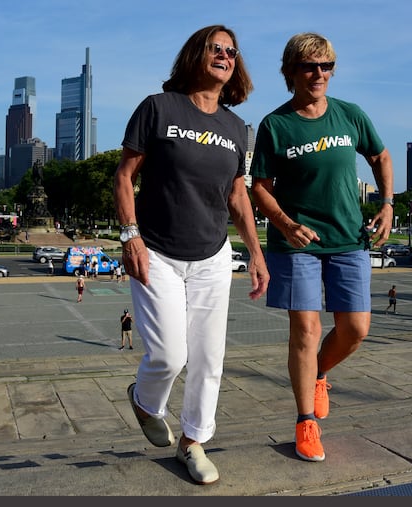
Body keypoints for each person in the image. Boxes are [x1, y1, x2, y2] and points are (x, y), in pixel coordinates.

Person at [113, 25, 269, 486]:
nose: (224, 56)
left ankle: (193, 442)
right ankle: (144, 400)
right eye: (215, 49)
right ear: (195, 55)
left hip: (213, 256)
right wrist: (130, 235)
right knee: (168, 354)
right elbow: (124, 176)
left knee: (209, 357)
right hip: (157, 251)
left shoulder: (236, 127)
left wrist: (255, 254)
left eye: (231, 52)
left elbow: (237, 196)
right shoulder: (159, 108)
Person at [250, 32, 394, 463]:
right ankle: (305, 422)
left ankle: (320, 374)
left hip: (349, 238)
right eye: (310, 66)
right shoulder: (276, 125)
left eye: (326, 66)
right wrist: (286, 223)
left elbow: (381, 157)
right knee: (306, 331)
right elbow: (259, 186)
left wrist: (387, 204)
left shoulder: (350, 115)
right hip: (297, 244)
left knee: (356, 329)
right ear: (291, 72)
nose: (319, 74)